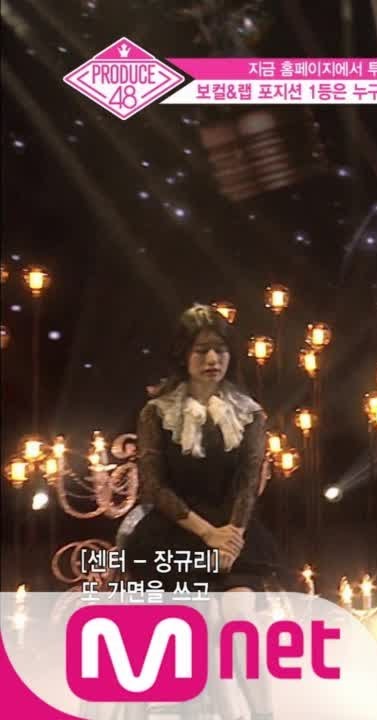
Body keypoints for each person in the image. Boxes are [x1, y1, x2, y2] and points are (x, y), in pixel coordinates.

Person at [123, 303, 279, 720]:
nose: (212, 359)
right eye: (201, 350)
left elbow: (248, 483)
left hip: (232, 534)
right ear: (184, 355)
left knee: (238, 621)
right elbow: (154, 487)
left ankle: (264, 714)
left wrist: (230, 537)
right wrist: (206, 534)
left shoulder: (249, 412)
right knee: (192, 626)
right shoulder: (156, 412)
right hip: (175, 533)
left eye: (220, 350)